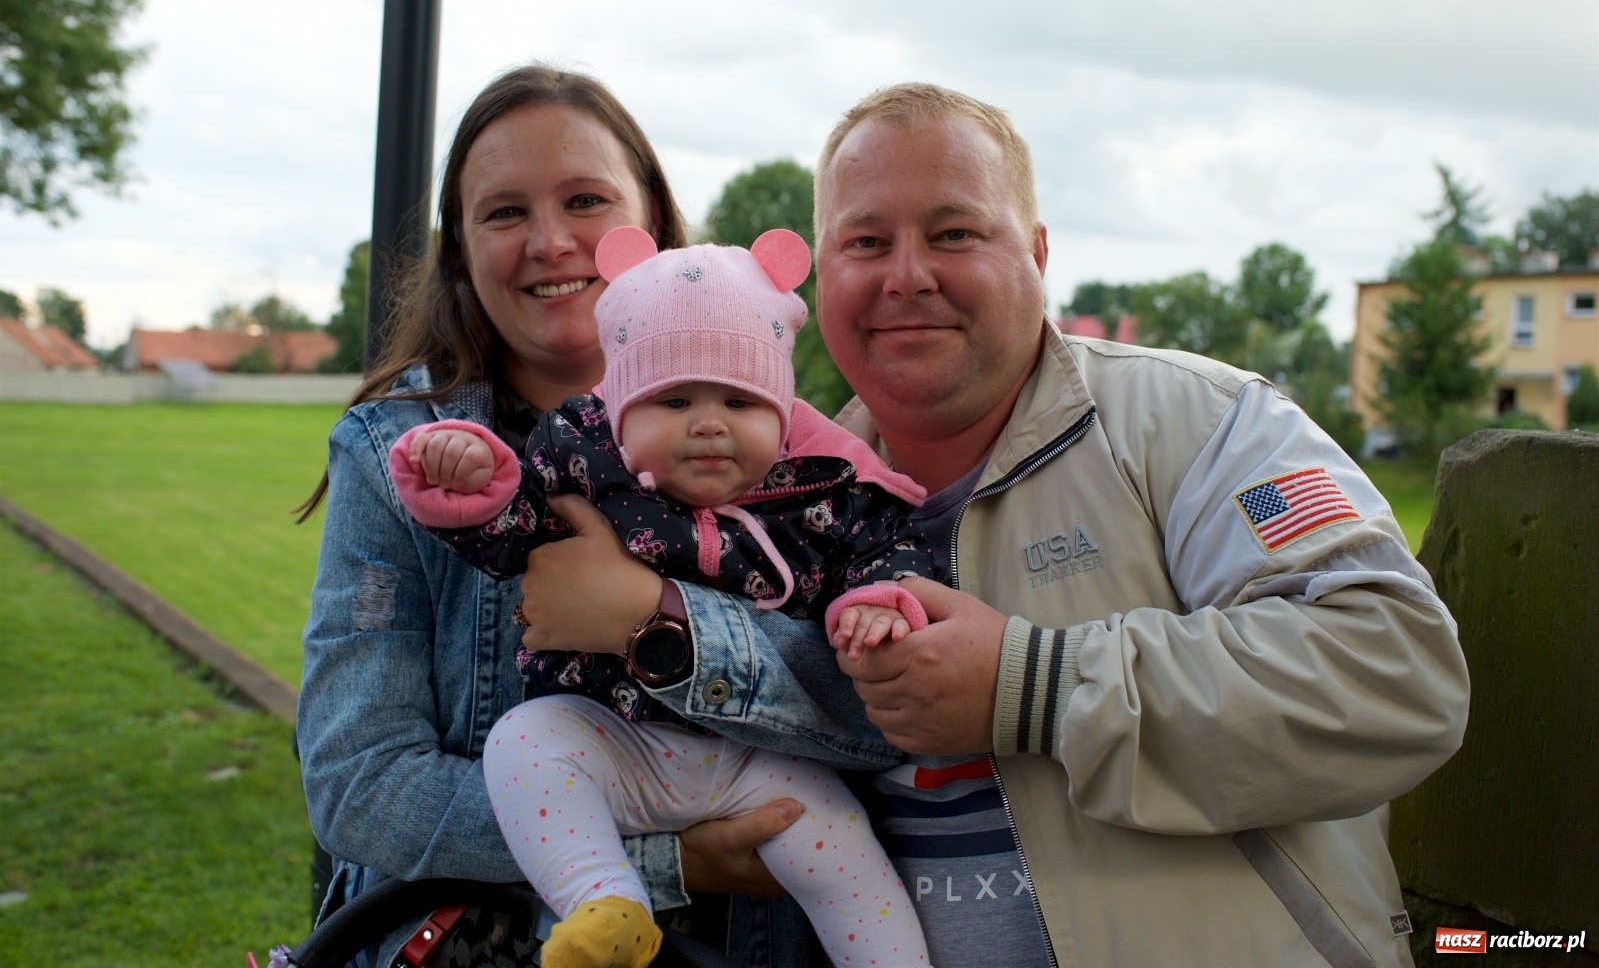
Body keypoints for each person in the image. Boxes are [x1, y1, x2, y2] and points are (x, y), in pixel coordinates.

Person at [525, 82, 1471, 967]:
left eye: (954, 232)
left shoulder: (1197, 423)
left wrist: (1034, 685)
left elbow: (1396, 672)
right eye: (865, 242)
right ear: (816, 279)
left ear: (1039, 254)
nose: (907, 277)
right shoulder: (762, 497)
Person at [295, 65, 874, 968]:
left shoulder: (798, 454)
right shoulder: (396, 454)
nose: (550, 241)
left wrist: (656, 620)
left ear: (651, 226)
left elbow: (877, 717)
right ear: (462, 250)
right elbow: (361, 785)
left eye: (585, 200)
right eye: (504, 212)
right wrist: (669, 858)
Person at [386, 226, 934, 967]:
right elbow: (512, 537)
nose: (709, 423)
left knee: (844, 853)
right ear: (620, 408)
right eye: (673, 400)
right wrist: (477, 486)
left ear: (781, 413)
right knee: (524, 743)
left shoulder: (827, 487)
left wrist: (876, 599)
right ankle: (607, 903)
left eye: (740, 400)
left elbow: (885, 548)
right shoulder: (579, 464)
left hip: (761, 753)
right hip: (614, 742)